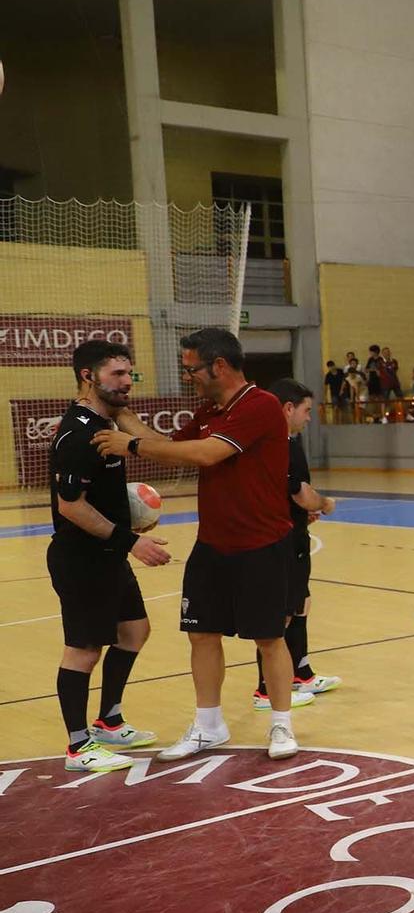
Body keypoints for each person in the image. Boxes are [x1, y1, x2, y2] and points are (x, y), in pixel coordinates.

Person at [94, 329, 299, 762]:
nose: (189, 377)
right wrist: (118, 408)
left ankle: (281, 724)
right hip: (213, 546)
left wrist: (128, 444)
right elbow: (170, 448)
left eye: (192, 369)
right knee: (202, 634)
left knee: (268, 638)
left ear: (218, 366)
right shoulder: (210, 410)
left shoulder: (259, 406)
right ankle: (209, 726)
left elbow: (206, 455)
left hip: (262, 543)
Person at [47, 340, 172, 772]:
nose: (127, 382)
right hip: (81, 558)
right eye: (117, 374)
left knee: (134, 631)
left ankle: (109, 721)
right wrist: (131, 542)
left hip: (108, 553)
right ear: (88, 376)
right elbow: (71, 505)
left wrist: (120, 410)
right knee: (83, 651)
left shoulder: (108, 422)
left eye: (129, 374)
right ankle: (78, 746)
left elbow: (156, 443)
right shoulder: (79, 434)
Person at [253, 380, 341, 711]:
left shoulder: (280, 442)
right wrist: (325, 503)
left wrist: (302, 514)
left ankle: (300, 672)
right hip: (282, 539)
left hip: (292, 531)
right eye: (306, 411)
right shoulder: (283, 444)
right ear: (288, 408)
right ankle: (266, 689)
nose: (308, 418)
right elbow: (301, 493)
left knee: (299, 603)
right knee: (279, 614)